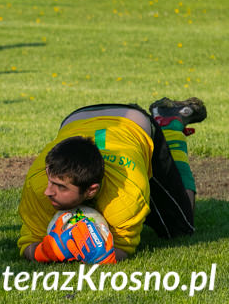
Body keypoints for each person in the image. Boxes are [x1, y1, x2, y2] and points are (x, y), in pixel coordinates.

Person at [18, 97, 206, 264]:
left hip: (134, 123)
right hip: (76, 119)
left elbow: (122, 249)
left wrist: (98, 255)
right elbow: (28, 242)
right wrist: (45, 252)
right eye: (51, 182)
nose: (48, 191)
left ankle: (170, 125)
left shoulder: (128, 195)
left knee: (181, 229)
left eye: (60, 187)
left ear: (91, 190)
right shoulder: (38, 182)